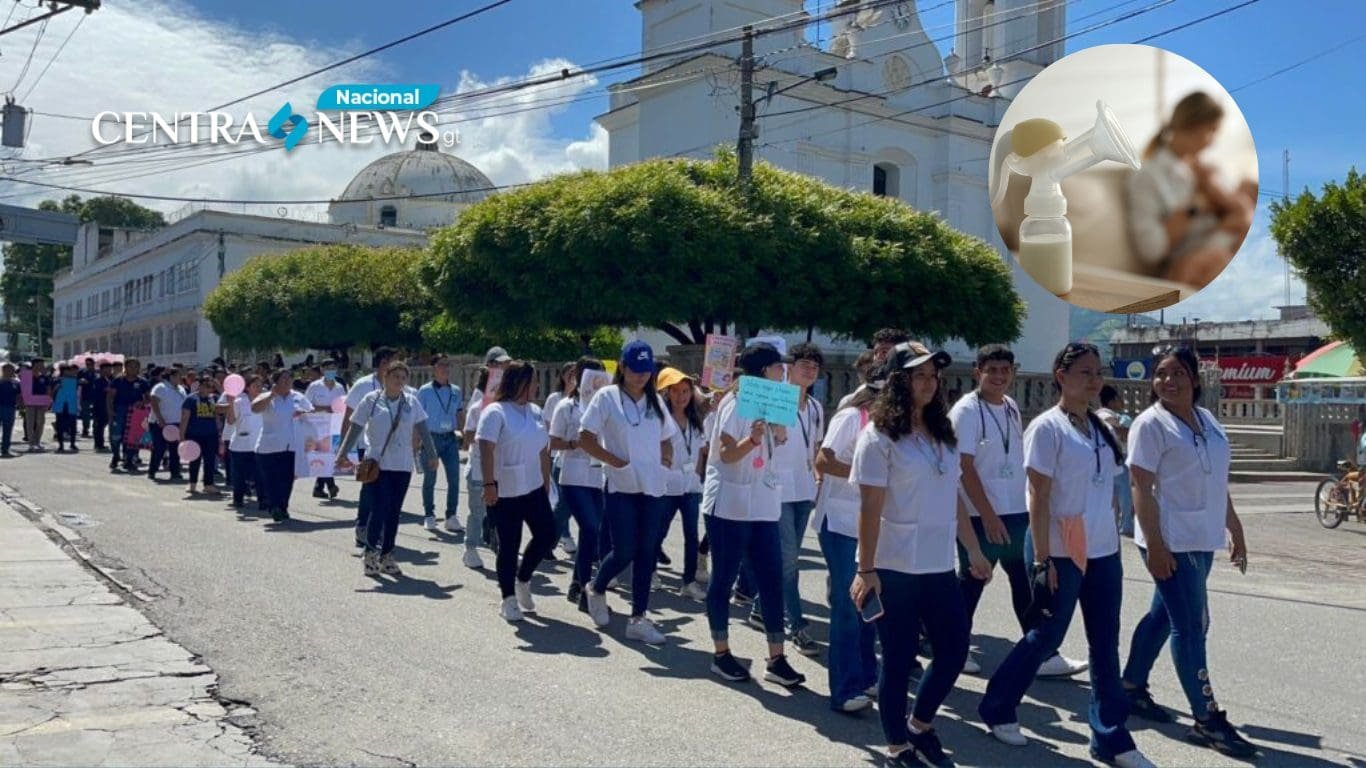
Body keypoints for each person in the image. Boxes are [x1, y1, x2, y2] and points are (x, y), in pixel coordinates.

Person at [978, 342, 1155, 768]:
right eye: (1084, 372)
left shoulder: (1098, 427)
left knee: (1104, 641)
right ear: (1061, 375)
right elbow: (1038, 495)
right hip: (1058, 547)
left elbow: (1111, 490)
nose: (1094, 380)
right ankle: (998, 706)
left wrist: (1115, 537)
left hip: (1102, 549)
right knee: (1047, 635)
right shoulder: (1046, 428)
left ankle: (1111, 736)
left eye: (1098, 373)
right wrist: (1042, 559)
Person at [849, 342, 989, 767]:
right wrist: (865, 569)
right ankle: (897, 746)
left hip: (936, 563)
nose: (927, 383)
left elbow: (954, 498)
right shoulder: (878, 437)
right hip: (894, 566)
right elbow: (870, 507)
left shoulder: (943, 432)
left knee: (953, 649)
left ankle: (920, 725)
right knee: (897, 657)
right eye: (917, 375)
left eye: (932, 376)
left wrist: (974, 549)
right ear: (897, 381)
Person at [1120, 346, 1256, 758]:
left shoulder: (1208, 420)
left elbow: (1218, 481)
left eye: (1178, 373)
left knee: (1164, 617)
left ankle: (1130, 686)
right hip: (1173, 542)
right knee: (1192, 627)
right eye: (1161, 374)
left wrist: (1234, 526)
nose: (1168, 381)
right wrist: (1155, 545)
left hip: (1203, 537)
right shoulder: (1150, 425)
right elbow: (1140, 487)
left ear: (1195, 379)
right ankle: (1206, 718)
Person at [947, 345, 1088, 678]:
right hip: (983, 517)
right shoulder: (966, 411)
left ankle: (1042, 651)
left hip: (1016, 511)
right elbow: (964, 468)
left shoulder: (1009, 406)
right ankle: (952, 650)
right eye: (991, 370)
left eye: (1005, 370)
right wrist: (989, 514)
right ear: (977, 372)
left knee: (1027, 584)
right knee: (971, 584)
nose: (998, 376)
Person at [700, 342, 806, 687]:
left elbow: (778, 446)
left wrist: (777, 434)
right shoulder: (735, 404)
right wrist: (754, 439)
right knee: (724, 578)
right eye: (779, 367)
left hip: (763, 505)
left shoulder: (772, 403)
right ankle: (721, 653)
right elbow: (727, 454)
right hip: (730, 505)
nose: (784, 372)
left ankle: (776, 658)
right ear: (764, 371)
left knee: (771, 578)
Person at [578, 340, 678, 645]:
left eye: (646, 371)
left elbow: (667, 437)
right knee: (625, 551)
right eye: (635, 370)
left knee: (647, 552)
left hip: (652, 488)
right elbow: (585, 437)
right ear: (622, 367)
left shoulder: (655, 402)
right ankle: (596, 588)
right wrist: (615, 462)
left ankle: (638, 617)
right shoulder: (607, 397)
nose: (641, 376)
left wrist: (665, 461)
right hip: (622, 486)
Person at [812, 362, 886, 712]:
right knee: (846, 603)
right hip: (841, 522)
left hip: (874, 523)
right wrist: (864, 477)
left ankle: (866, 676)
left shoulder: (896, 426)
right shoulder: (850, 417)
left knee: (869, 602)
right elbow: (823, 460)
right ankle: (844, 689)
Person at [1128, 91, 1256, 287]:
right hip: (1191, 266)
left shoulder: (1205, 170)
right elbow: (1151, 250)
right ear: (1192, 126)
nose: (1213, 141)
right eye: (1211, 130)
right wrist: (1194, 208)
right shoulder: (1148, 177)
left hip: (1223, 250)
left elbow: (1241, 210)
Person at [750, 342, 825, 657]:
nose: (809, 370)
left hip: (804, 489)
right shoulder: (775, 399)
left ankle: (759, 604)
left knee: (785, 560)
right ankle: (797, 625)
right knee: (790, 559)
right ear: (789, 368)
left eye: (814, 366)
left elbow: (817, 447)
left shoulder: (817, 407)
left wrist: (818, 477)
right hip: (776, 488)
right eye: (803, 364)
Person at [337, 362, 438, 577]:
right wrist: (342, 453)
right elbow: (356, 427)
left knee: (394, 511)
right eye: (396, 376)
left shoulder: (411, 401)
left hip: (402, 464)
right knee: (379, 508)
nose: (399, 381)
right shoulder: (371, 400)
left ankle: (387, 555)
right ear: (386, 377)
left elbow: (423, 429)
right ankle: (370, 553)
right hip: (377, 463)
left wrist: (432, 454)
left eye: (403, 377)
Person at [476, 360, 556, 621]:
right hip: (504, 489)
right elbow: (485, 448)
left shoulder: (535, 411)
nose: (536, 386)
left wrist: (545, 480)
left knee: (547, 535)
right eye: (532, 381)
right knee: (509, 545)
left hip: (533, 487)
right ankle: (508, 598)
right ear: (518, 382)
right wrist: (489, 484)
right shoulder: (496, 411)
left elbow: (543, 449)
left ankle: (523, 578)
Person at [550, 357, 607, 607]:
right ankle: (585, 588)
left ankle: (577, 582)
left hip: (597, 476)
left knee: (592, 534)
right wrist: (575, 443)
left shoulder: (607, 407)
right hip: (572, 475)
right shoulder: (566, 406)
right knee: (591, 527)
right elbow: (553, 442)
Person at [657, 366, 707, 601]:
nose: (681, 396)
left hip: (690, 486)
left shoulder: (695, 420)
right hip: (667, 486)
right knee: (659, 531)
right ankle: (649, 571)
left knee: (692, 534)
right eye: (676, 391)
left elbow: (699, 451)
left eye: (686, 391)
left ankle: (688, 581)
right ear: (667, 394)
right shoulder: (659, 419)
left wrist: (697, 475)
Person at [341, 347, 399, 547]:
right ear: (384, 364)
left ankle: (379, 528)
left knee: (388, 491)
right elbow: (350, 418)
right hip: (367, 446)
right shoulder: (362, 386)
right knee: (370, 488)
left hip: (393, 449)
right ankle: (363, 525)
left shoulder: (401, 388)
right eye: (394, 362)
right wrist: (343, 448)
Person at [252, 370, 313, 523]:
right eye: (283, 378)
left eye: (290, 378)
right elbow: (255, 408)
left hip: (292, 446)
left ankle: (282, 507)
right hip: (268, 446)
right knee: (271, 479)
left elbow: (312, 414)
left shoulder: (298, 397)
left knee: (287, 480)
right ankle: (274, 507)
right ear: (276, 381)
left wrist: (304, 413)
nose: (287, 381)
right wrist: (271, 395)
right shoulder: (267, 396)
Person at [416, 355, 464, 533]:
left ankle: (451, 515)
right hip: (431, 438)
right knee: (430, 478)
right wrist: (416, 443)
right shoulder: (424, 391)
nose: (445, 368)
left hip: (450, 438)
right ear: (433, 368)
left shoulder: (456, 390)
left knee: (454, 479)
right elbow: (418, 419)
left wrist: (464, 434)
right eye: (441, 365)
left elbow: (459, 413)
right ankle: (429, 514)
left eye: (447, 365)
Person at [462, 366, 494, 569]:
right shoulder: (477, 408)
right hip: (479, 467)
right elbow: (467, 439)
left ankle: (502, 549)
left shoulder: (506, 408)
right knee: (478, 511)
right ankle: (470, 547)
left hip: (501, 468)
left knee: (501, 513)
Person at [545, 361, 578, 555]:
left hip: (586, 462)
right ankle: (555, 538)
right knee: (562, 503)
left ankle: (556, 537)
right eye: (569, 373)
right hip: (559, 456)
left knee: (566, 504)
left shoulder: (587, 400)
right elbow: (549, 427)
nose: (572, 376)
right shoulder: (555, 399)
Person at [305, 360, 347, 501]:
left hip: (335, 425)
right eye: (328, 368)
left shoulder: (340, 387)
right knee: (322, 455)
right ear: (322, 370)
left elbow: (344, 405)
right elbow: (306, 405)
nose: (331, 371)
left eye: (333, 368)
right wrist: (324, 409)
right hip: (318, 425)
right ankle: (330, 485)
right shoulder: (314, 386)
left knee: (329, 456)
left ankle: (319, 487)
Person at [1098, 385, 1135, 537]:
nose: (1121, 402)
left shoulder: (1100, 415)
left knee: (1113, 493)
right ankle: (1126, 524)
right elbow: (1122, 432)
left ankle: (1115, 523)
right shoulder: (1106, 415)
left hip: (1108, 459)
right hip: (1117, 458)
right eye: (1119, 399)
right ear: (1112, 401)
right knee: (1125, 492)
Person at [839, 329, 910, 409]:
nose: (877, 358)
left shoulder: (915, 395)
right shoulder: (854, 400)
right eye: (876, 352)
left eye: (884, 352)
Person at [224, 375, 264, 510]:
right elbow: (230, 421)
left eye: (260, 385)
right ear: (247, 388)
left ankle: (263, 500)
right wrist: (230, 404)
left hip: (259, 444)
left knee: (260, 474)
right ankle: (238, 498)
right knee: (239, 475)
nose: (259, 388)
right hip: (240, 445)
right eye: (255, 386)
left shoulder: (265, 401)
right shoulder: (239, 401)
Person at [180, 374, 222, 495]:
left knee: (209, 460)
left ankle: (208, 484)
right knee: (194, 460)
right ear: (200, 386)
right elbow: (184, 418)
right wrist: (182, 436)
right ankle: (192, 484)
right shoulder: (190, 399)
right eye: (206, 386)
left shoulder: (214, 398)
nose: (209, 389)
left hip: (211, 435)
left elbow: (217, 417)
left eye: (211, 387)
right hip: (194, 435)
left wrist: (219, 433)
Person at [107, 359, 150, 473]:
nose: (133, 369)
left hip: (135, 413)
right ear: (125, 367)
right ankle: (116, 455)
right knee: (116, 436)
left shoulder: (143, 382)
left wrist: (143, 403)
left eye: (136, 367)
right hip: (119, 411)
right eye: (131, 366)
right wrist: (111, 412)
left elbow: (148, 398)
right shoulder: (118, 380)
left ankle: (129, 459)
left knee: (132, 437)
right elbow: (110, 397)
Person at [147, 368, 186, 482]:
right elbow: (154, 402)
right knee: (159, 448)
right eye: (178, 375)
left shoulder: (181, 389)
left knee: (175, 449)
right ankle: (152, 471)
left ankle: (175, 472)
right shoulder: (161, 387)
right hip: (160, 424)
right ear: (171, 376)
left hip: (176, 424)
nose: (180, 378)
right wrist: (160, 419)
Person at [23, 357, 50, 452]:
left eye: (43, 365)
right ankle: (31, 443)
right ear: (34, 365)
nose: (42, 366)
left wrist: (48, 401)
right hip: (30, 402)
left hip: (41, 402)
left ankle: (37, 441)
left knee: (40, 422)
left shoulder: (45, 377)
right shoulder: (26, 375)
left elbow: (48, 389)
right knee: (30, 422)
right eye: (40, 364)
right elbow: (23, 389)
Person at [51, 365, 80, 452]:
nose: (71, 372)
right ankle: (61, 445)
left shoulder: (74, 380)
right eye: (68, 371)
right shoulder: (57, 380)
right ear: (64, 371)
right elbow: (53, 392)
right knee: (60, 425)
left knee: (73, 425)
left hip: (71, 404)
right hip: (60, 404)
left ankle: (72, 443)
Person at [91, 362, 113, 451]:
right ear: (102, 370)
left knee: (102, 425)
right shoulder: (98, 380)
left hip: (106, 405)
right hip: (99, 405)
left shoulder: (108, 380)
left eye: (110, 369)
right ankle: (98, 444)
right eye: (107, 369)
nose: (109, 371)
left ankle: (100, 443)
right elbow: (99, 391)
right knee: (98, 425)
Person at [0, 363, 20, 457]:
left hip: (10, 408)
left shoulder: (16, 383)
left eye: (12, 369)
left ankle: (5, 449)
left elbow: (19, 396)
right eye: (9, 369)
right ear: (3, 370)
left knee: (7, 430)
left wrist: (20, 405)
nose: (11, 371)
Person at [78, 357, 98, 440]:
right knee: (85, 414)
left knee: (96, 414)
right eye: (87, 364)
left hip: (96, 396)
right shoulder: (82, 372)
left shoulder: (97, 373)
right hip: (85, 395)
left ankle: (96, 430)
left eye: (90, 364)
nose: (88, 366)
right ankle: (85, 429)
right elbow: (76, 380)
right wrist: (80, 381)